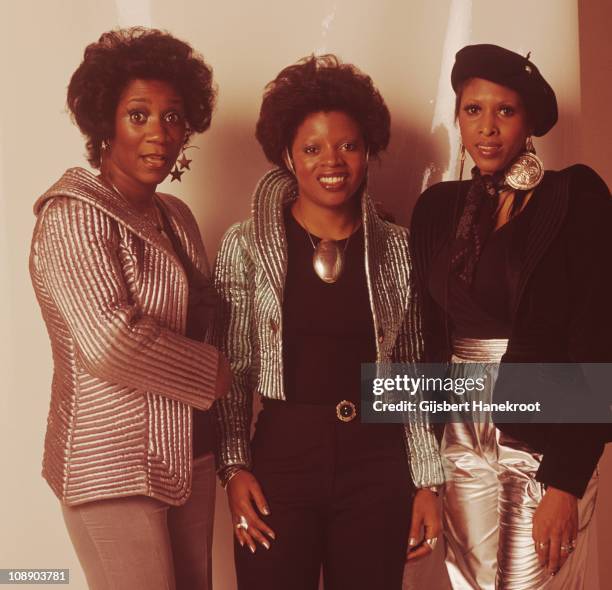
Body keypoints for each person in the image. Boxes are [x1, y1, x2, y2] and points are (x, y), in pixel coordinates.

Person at [211, 54, 444, 590]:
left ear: (368, 150)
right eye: (312, 147)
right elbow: (233, 370)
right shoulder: (245, 246)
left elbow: (409, 370)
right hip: (281, 462)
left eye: (348, 145)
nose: (331, 161)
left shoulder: (399, 249)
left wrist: (427, 482)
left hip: (377, 464)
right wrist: (234, 468)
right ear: (288, 156)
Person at [29, 28, 229, 590]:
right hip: (109, 465)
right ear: (104, 124)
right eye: (138, 115)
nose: (158, 134)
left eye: (172, 117)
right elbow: (109, 341)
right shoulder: (73, 216)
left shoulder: (176, 215)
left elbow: (206, 314)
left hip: (189, 454)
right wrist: (210, 373)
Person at [410, 44, 612, 589]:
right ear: (457, 115)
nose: (488, 128)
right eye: (473, 110)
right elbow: (426, 337)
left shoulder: (575, 195)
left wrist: (567, 479)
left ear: (528, 123)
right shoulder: (437, 209)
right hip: (458, 420)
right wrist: (422, 466)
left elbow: (598, 339)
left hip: (540, 424)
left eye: (505, 111)